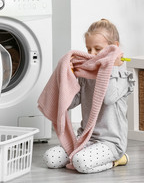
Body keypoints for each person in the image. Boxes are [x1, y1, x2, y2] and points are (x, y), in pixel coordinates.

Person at [42, 19, 135, 173]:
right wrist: (69, 76)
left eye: (98, 49)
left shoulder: (123, 76)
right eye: (88, 49)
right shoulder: (87, 75)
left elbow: (108, 98)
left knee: (80, 162)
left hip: (111, 143)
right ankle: (83, 154)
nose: (92, 54)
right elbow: (69, 103)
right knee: (50, 158)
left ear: (114, 48)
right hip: (86, 139)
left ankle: (118, 159)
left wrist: (115, 66)